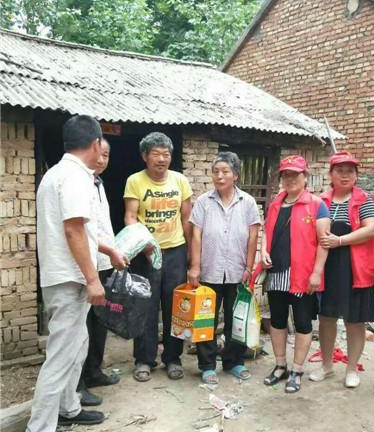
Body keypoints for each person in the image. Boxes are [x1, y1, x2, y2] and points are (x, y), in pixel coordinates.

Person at [23, 115, 127, 432]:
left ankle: (69, 408)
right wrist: (93, 279)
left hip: (66, 276)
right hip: (70, 279)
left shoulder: (58, 174)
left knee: (78, 345)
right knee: (62, 354)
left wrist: (109, 250)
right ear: (96, 143)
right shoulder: (76, 177)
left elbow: (82, 231)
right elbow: (73, 230)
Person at [124, 132, 193, 382]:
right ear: (145, 156)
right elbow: (130, 217)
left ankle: (173, 358)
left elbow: (187, 218)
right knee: (145, 306)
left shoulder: (180, 181)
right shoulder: (135, 181)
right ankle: (144, 359)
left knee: (176, 307)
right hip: (146, 253)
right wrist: (143, 244)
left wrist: (191, 254)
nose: (161, 159)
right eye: (156, 154)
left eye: (166, 154)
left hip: (175, 251)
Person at [188, 152, 261, 384]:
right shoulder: (203, 202)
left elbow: (253, 236)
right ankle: (207, 365)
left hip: (237, 271)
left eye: (225, 171)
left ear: (235, 175)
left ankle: (234, 361)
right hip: (209, 270)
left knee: (235, 319)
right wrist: (195, 267)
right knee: (205, 320)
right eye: (216, 171)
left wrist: (249, 267)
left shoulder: (248, 202)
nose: (219, 176)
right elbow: (196, 235)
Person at [309, 152, 374, 388]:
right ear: (330, 174)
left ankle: (351, 369)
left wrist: (339, 241)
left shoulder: (363, 200)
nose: (345, 175)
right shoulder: (320, 201)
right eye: (339, 170)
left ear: (356, 175)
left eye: (350, 171)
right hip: (326, 267)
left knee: (355, 320)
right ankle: (327, 366)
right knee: (326, 318)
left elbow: (371, 229)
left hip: (355, 268)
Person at [261, 155, 330, 393]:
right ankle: (280, 365)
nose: (290, 179)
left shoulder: (317, 205)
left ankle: (297, 369)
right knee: (277, 320)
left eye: (295, 174)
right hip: (277, 273)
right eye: (286, 175)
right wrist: (263, 250)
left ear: (305, 177)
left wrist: (317, 273)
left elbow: (324, 242)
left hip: (303, 275)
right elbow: (267, 232)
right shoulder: (275, 205)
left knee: (302, 323)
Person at [77, 139, 119, 407]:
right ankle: (77, 383)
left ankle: (94, 370)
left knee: (100, 321)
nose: (102, 160)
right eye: (99, 154)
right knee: (81, 326)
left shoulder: (99, 183)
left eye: (107, 155)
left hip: (103, 262)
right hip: (87, 264)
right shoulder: (79, 183)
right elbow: (80, 231)